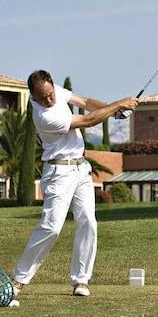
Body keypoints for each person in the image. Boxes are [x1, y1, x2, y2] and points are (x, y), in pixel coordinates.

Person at [12, 70, 138, 298]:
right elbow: (88, 120)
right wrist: (118, 104)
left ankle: (81, 280)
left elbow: (87, 103)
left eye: (50, 94)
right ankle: (19, 279)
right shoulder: (43, 116)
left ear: (52, 85)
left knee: (88, 221)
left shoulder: (55, 91)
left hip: (81, 168)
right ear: (33, 96)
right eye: (43, 98)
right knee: (51, 227)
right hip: (58, 172)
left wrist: (115, 110)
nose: (49, 100)